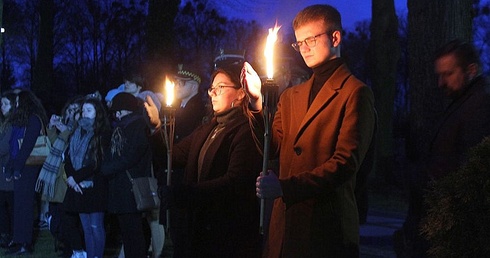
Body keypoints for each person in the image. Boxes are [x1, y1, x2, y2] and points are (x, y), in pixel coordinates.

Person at [243, 4, 376, 257]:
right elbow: (272, 147)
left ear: (335, 37)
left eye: (311, 40)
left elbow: (345, 163)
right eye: (298, 43)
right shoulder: (292, 95)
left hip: (325, 228)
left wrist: (285, 188)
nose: (303, 48)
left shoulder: (355, 93)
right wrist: (256, 102)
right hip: (286, 228)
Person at [145, 62, 263, 258]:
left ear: (241, 93)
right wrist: (157, 128)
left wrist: (184, 194)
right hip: (200, 226)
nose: (213, 93)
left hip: (228, 232)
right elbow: (173, 156)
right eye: (212, 88)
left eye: (221, 87)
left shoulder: (246, 129)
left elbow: (234, 182)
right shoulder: (208, 128)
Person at [394, 39, 490, 258]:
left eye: (448, 74)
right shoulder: (462, 104)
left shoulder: (478, 108)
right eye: (439, 75)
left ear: (471, 70)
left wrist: (417, 177)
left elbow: (466, 171)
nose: (441, 83)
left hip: (449, 229)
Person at [101, 92, 153, 258]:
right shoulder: (124, 126)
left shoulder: (138, 127)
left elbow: (130, 156)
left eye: (118, 111)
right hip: (122, 186)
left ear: (125, 110)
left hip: (130, 187)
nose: (116, 115)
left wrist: (107, 168)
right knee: (128, 231)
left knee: (133, 231)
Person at [62, 97, 111, 258]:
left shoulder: (102, 133)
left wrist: (75, 177)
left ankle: (98, 255)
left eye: (89, 110)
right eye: (83, 110)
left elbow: (96, 162)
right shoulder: (77, 131)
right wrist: (71, 177)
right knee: (86, 228)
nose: (84, 113)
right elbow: (68, 156)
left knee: (96, 225)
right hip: (78, 186)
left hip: (94, 186)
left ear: (98, 113)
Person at [3, 89, 48, 255]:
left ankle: (25, 242)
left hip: (28, 168)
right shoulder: (22, 121)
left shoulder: (33, 120)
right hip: (21, 167)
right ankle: (19, 239)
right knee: (20, 205)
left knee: (25, 206)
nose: (15, 106)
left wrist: (17, 168)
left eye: (17, 102)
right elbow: (15, 147)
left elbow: (27, 147)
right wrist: (11, 167)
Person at [0, 91, 15, 249]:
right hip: (3, 172)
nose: (1, 107)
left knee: (8, 205)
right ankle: (6, 234)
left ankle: (10, 235)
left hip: (7, 172)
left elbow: (4, 147)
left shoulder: (12, 124)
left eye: (5, 104)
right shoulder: (5, 123)